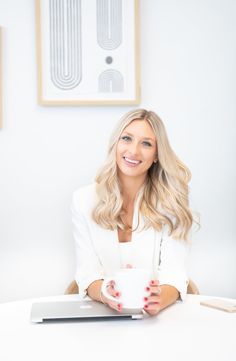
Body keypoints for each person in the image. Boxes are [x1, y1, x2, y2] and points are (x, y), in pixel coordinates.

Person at [71, 109, 193, 316]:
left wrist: (158, 301)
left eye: (146, 143)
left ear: (157, 155)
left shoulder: (171, 201)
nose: (134, 151)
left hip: (159, 315)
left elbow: (174, 274)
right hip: (101, 310)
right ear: (115, 144)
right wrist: (103, 293)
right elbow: (87, 273)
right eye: (126, 138)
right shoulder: (83, 200)